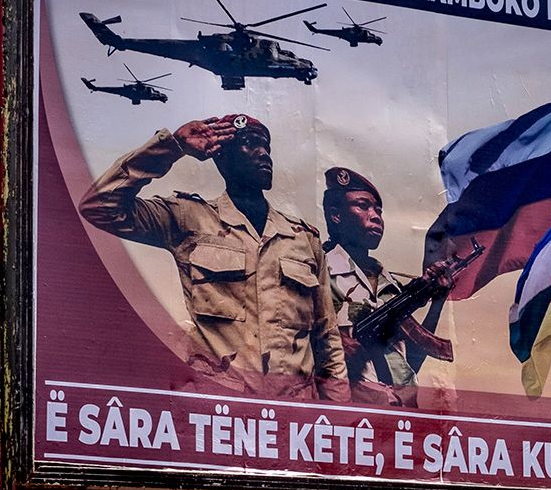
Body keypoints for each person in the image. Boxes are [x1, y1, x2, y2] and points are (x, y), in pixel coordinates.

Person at [79, 115, 349, 402]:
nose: (264, 154)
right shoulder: (190, 219)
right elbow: (100, 206)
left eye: (266, 147)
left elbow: (327, 338)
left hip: (294, 413)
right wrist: (173, 147)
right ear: (221, 156)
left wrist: (338, 415)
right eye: (250, 144)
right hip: (218, 411)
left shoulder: (302, 239)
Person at [322, 166, 452, 406]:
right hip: (348, 413)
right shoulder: (319, 272)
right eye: (363, 206)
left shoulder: (389, 284)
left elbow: (409, 363)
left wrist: (436, 301)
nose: (375, 216)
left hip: (400, 413)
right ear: (335, 214)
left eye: (378, 210)